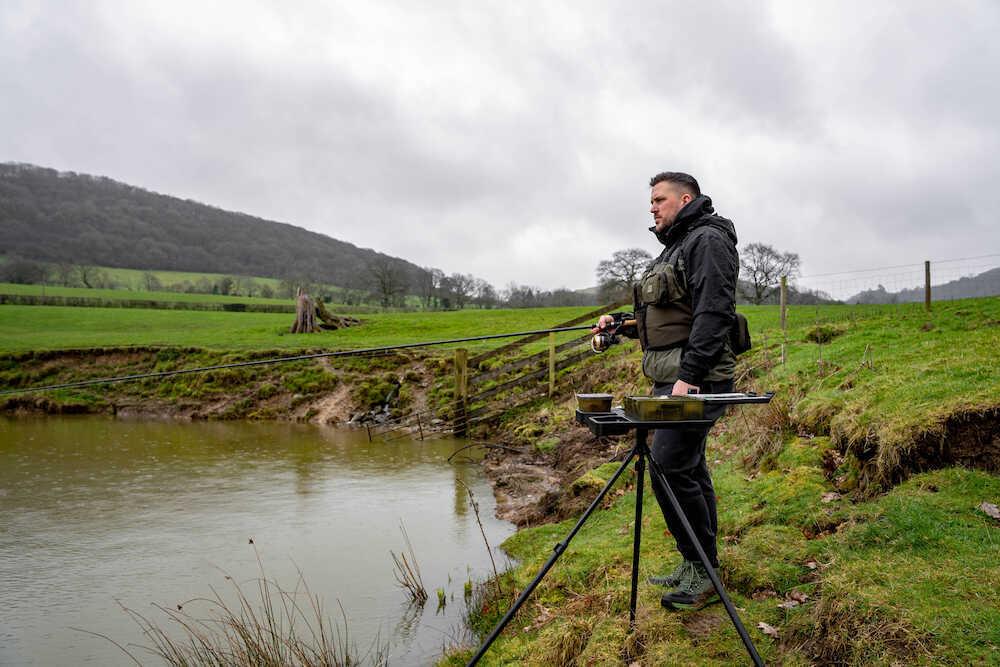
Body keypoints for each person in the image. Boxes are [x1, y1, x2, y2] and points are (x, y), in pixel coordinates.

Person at [593, 171, 738, 611]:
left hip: (697, 379)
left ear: (685, 198)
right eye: (650, 202)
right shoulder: (677, 245)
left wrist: (689, 376)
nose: (652, 208)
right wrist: (619, 325)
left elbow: (714, 314)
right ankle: (700, 563)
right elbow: (669, 316)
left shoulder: (707, 241)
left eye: (659, 200)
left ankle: (703, 570)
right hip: (674, 376)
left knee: (670, 466)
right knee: (687, 467)